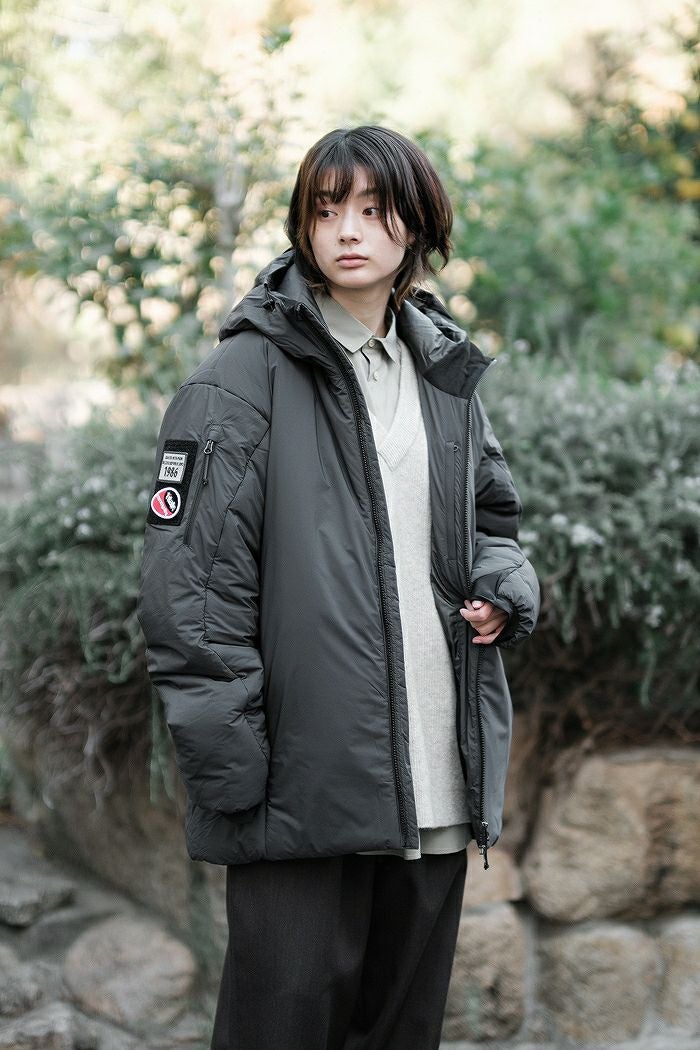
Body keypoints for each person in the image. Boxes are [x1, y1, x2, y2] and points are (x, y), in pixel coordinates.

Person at [137, 125, 540, 1050]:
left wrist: (500, 586)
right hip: (300, 787)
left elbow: (493, 521)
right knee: (279, 1030)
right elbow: (188, 591)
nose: (346, 231)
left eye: (371, 209)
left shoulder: (444, 373)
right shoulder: (240, 378)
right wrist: (235, 771)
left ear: (417, 225)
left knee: (403, 1032)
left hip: (436, 774)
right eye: (325, 211)